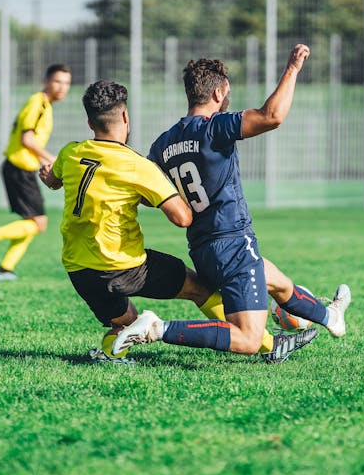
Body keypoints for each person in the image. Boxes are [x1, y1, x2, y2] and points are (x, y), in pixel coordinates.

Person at [40, 80, 308, 364]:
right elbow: (183, 218)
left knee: (126, 322)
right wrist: (160, 193)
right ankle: (268, 345)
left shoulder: (70, 153)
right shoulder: (138, 166)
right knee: (199, 289)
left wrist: (50, 177)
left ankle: (110, 352)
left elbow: (53, 180)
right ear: (125, 117)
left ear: (89, 122)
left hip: (79, 271)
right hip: (125, 267)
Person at [114, 43, 351, 359]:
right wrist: (292, 69)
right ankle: (158, 329)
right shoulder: (214, 127)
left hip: (202, 249)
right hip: (233, 243)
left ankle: (330, 317)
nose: (228, 99)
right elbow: (272, 116)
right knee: (249, 340)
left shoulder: (164, 143)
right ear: (216, 95)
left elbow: (146, 196)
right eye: (227, 93)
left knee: (280, 285)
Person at [0, 63, 72, 280]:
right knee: (39, 223)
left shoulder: (45, 105)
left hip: (23, 169)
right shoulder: (38, 103)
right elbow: (26, 139)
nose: (62, 87)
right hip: (18, 169)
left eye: (66, 83)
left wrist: (42, 161)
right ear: (46, 81)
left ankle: (5, 269)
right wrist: (52, 159)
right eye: (57, 81)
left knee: (32, 223)